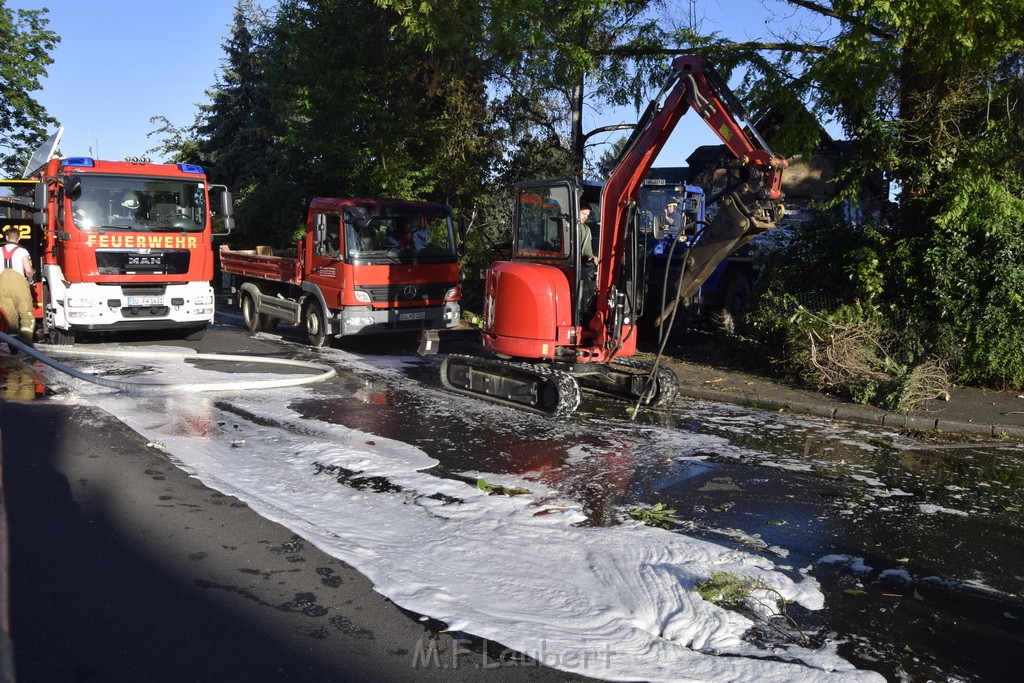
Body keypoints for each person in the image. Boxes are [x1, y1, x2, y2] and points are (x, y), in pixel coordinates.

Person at [0, 226, 36, 348]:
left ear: (6, 237)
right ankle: (26, 344)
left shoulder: (0, 250)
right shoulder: (22, 251)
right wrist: (31, 281)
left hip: (2, 283)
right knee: (26, 314)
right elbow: (28, 271)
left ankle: (12, 346)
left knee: (9, 317)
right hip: (18, 283)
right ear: (19, 238)